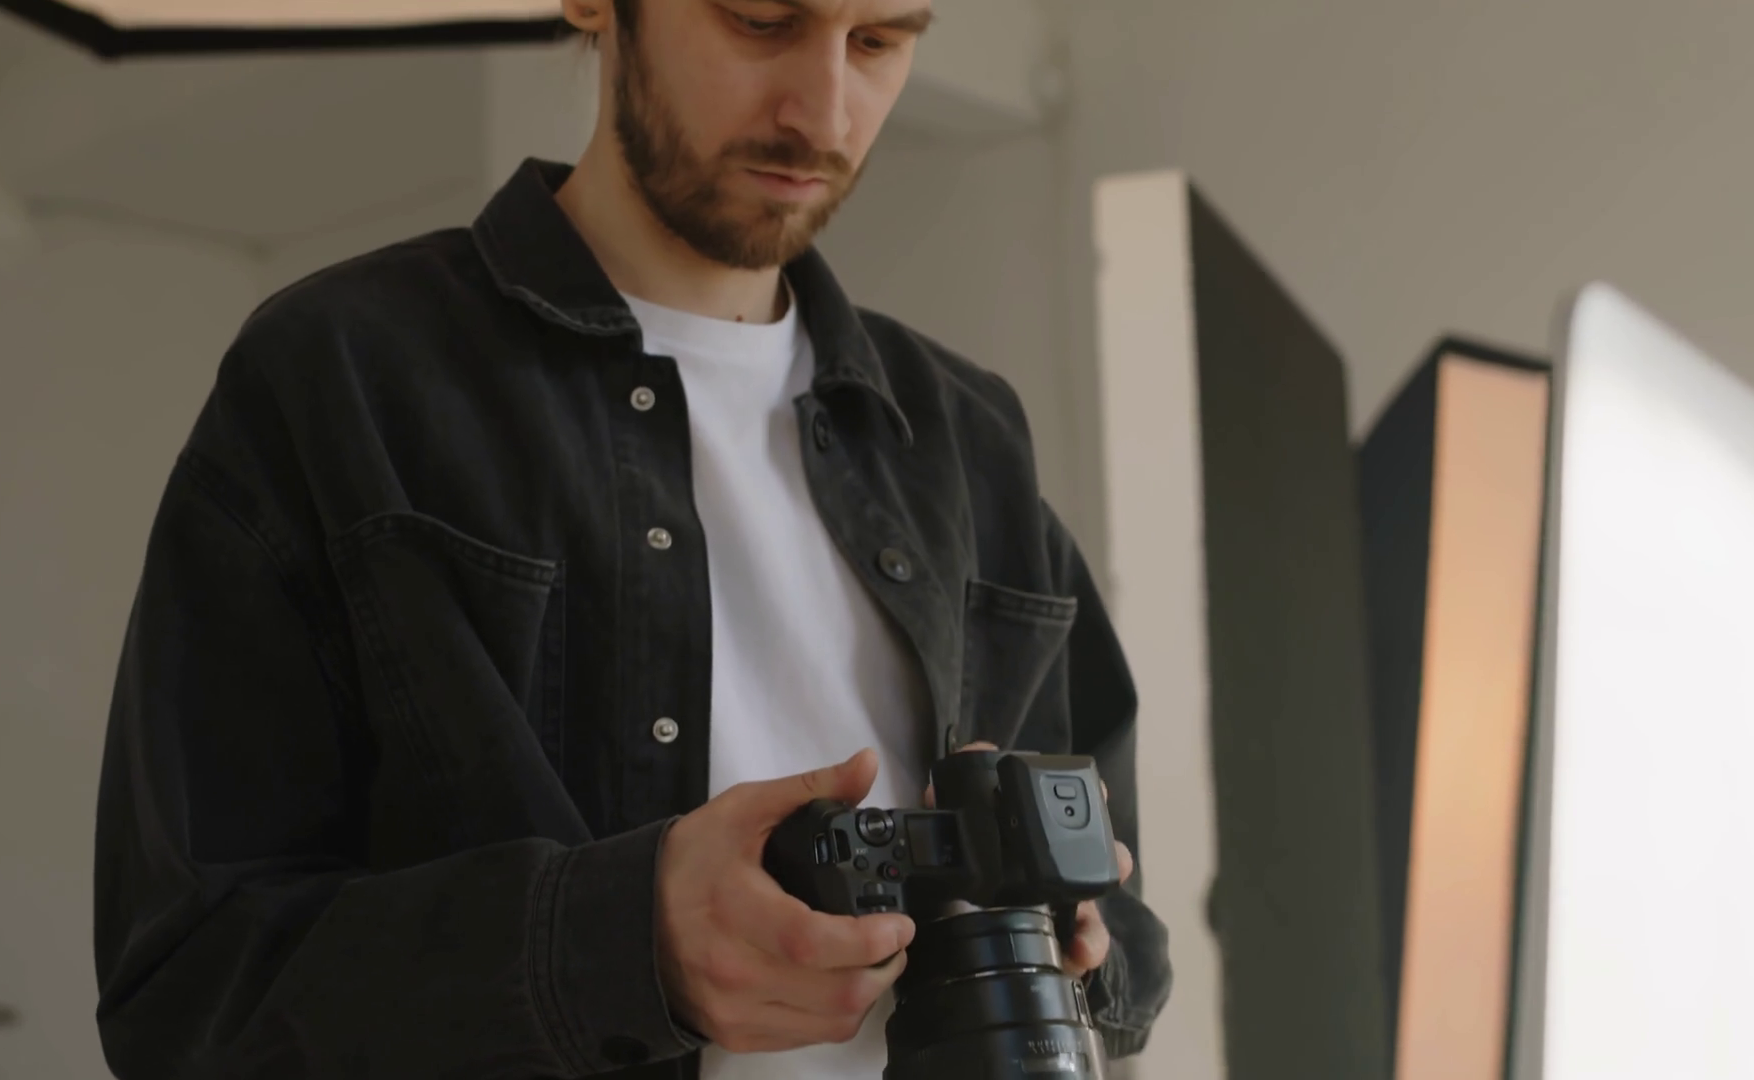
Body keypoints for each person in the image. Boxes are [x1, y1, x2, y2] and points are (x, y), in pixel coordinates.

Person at [91, 1, 1171, 1077]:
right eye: (761, 19)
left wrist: (1077, 936)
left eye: (879, 40)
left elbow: (1127, 940)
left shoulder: (969, 435)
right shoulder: (339, 379)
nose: (825, 114)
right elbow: (189, 996)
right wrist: (621, 947)